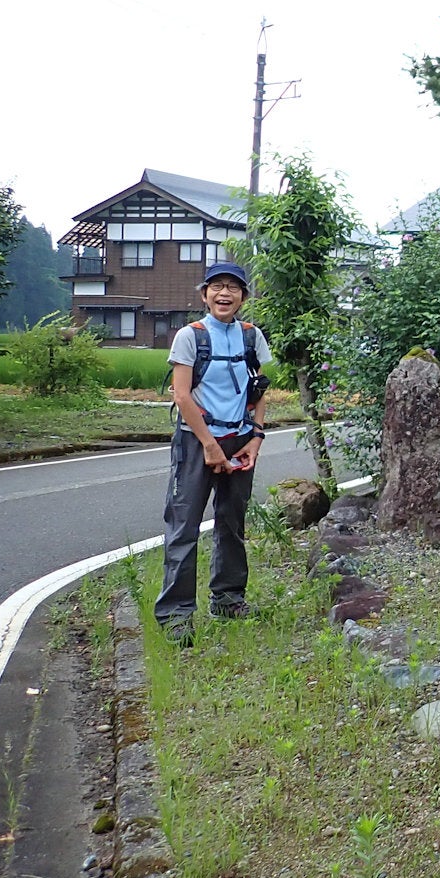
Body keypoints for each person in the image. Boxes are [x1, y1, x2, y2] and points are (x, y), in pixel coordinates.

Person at [154, 261, 274, 645]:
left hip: (239, 440)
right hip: (195, 442)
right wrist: (208, 445)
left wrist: (256, 438)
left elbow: (260, 391)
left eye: (233, 288)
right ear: (204, 294)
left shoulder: (253, 336)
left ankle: (227, 600)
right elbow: (183, 395)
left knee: (231, 524)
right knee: (184, 527)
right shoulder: (190, 336)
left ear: (243, 296)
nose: (225, 294)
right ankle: (176, 615)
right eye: (217, 287)